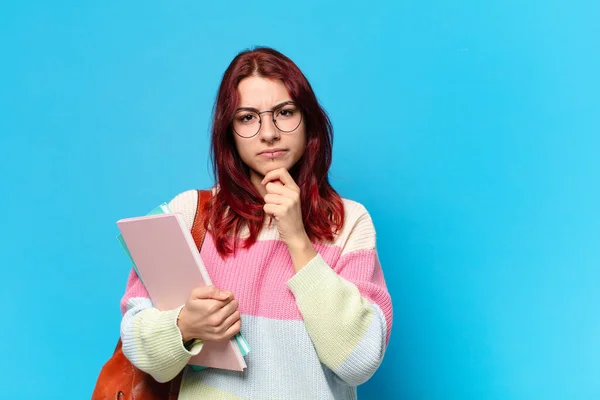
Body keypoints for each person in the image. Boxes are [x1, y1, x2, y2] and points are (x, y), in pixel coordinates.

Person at [119, 46, 393, 399]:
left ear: (308, 119)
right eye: (247, 117)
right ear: (228, 131)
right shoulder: (189, 213)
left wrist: (297, 238)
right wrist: (184, 326)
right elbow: (137, 345)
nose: (268, 133)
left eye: (285, 112)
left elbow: (360, 361)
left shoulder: (349, 222)